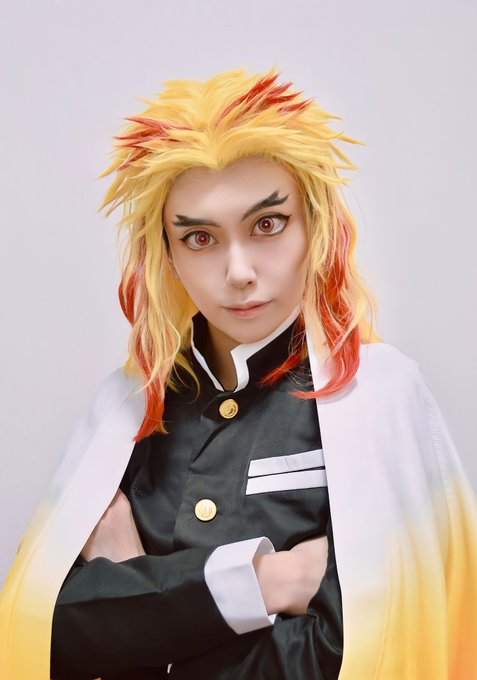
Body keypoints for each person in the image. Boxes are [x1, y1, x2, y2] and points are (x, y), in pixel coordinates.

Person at [1, 67, 476, 680]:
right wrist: (270, 580)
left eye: (268, 225)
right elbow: (48, 633)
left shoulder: (379, 394)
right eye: (200, 238)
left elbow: (357, 650)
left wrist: (136, 594)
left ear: (316, 227)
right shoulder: (124, 409)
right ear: (166, 255)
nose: (239, 272)